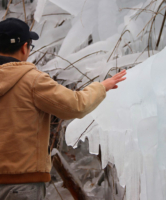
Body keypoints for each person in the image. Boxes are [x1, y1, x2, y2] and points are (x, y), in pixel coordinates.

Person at [0, 18, 126, 200]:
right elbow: (75, 105)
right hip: (22, 186)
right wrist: (101, 87)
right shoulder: (32, 81)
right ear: (23, 48)